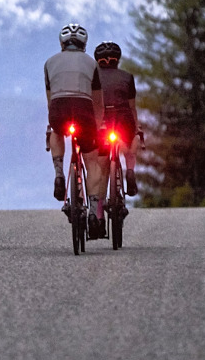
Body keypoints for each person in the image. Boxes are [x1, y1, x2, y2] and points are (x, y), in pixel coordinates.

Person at [44, 23, 106, 234]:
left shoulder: (49, 63)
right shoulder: (92, 63)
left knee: (56, 131)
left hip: (59, 108)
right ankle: (93, 210)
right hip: (84, 110)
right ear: (84, 44)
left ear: (62, 43)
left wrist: (50, 124)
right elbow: (98, 102)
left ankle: (59, 173)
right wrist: (98, 127)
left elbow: (50, 100)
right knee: (91, 161)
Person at [93, 41, 140, 203]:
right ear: (117, 60)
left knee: (102, 166)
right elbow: (132, 108)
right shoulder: (127, 77)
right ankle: (130, 169)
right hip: (123, 118)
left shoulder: (92, 78)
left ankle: (98, 210)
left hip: (101, 121)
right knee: (134, 137)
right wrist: (137, 129)